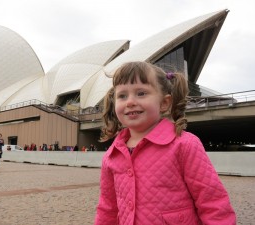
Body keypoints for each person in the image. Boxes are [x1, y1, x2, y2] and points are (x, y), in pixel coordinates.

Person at [94, 61, 236, 225]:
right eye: (122, 96)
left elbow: (213, 202)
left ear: (164, 103)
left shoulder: (184, 144)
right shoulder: (112, 154)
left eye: (141, 93)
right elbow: (108, 207)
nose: (130, 101)